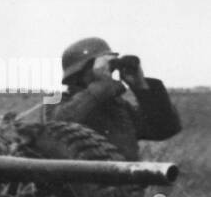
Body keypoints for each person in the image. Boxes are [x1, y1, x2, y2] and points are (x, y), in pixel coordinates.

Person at [50, 37, 181, 160]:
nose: (111, 70)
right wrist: (102, 84)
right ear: (82, 71)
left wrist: (140, 85)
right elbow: (58, 124)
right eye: (106, 65)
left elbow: (165, 129)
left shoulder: (116, 107)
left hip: (127, 183)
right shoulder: (55, 99)